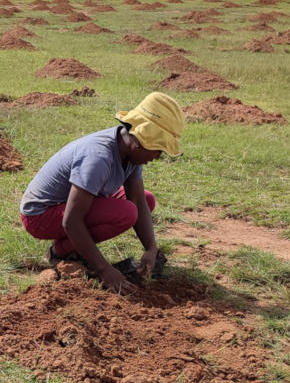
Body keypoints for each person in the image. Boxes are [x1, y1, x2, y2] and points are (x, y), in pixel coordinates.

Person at [19, 92, 183, 293]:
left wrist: (151, 248)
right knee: (125, 212)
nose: (157, 157)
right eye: (158, 150)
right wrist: (104, 270)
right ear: (141, 140)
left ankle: (72, 247)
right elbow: (71, 220)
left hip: (70, 207)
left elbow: (138, 200)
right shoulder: (99, 157)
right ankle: (59, 252)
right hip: (40, 216)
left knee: (145, 201)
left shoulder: (130, 152)